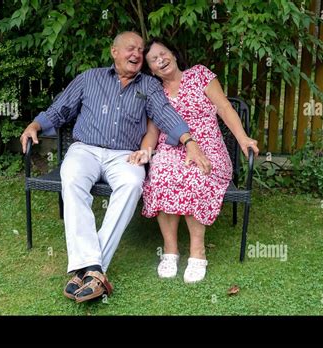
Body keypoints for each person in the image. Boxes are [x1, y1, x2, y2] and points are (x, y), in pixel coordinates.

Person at [19, 32, 211, 303]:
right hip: (85, 149)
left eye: (140, 50)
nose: (136, 54)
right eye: (130, 48)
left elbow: (165, 114)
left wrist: (189, 140)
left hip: (125, 155)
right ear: (114, 52)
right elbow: (59, 110)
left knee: (133, 184)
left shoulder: (148, 86)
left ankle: (87, 269)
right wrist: (35, 125)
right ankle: (95, 270)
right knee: (72, 179)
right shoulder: (90, 78)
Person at [128, 38, 259, 283]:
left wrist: (243, 139)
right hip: (170, 149)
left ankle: (198, 252)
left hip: (208, 147)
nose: (161, 60)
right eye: (154, 60)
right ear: (151, 70)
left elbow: (224, 108)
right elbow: (153, 131)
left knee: (195, 175)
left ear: (174, 55)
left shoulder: (200, 75)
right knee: (160, 176)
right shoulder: (156, 92)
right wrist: (146, 151)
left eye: (163, 53)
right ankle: (170, 250)